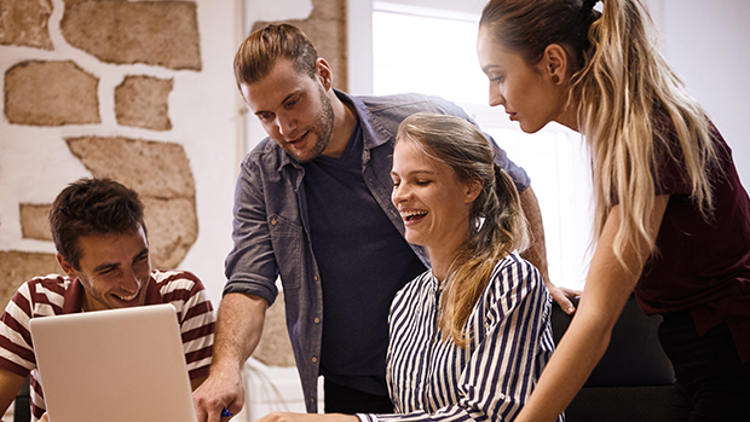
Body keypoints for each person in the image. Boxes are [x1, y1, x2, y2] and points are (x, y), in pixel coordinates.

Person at [193, 22, 578, 421]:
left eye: (293, 102)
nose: (284, 128)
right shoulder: (263, 174)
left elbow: (512, 181)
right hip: (374, 381)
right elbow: (249, 281)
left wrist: (537, 276)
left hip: (458, 363)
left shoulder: (420, 120)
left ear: (322, 75)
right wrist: (227, 367)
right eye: (266, 116)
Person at [476, 0, 750, 421]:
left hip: (732, 351)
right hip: (696, 353)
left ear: (553, 62)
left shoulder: (650, 136)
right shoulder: (623, 132)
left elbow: (597, 319)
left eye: (498, 76)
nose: (493, 98)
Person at [249, 113, 563, 422]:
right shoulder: (406, 301)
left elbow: (488, 415)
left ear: (471, 188)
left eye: (421, 181)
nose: (400, 196)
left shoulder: (511, 281)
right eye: (396, 181)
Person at [0, 178, 215, 422]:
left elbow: (205, 416)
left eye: (140, 259)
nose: (133, 283)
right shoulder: (36, 303)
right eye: (109, 270)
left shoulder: (183, 298)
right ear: (68, 266)